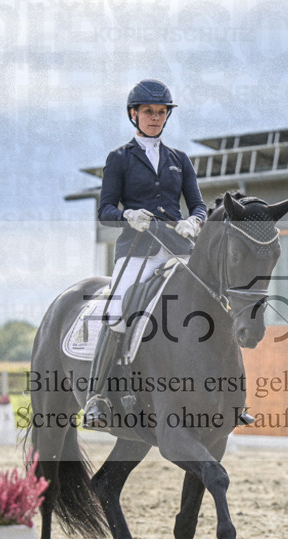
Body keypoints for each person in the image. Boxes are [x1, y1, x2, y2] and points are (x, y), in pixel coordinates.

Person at [82, 78, 207, 430]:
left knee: (213, 301)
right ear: (134, 114)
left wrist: (194, 222)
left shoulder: (179, 160)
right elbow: (104, 210)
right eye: (148, 112)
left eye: (161, 112)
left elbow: (198, 205)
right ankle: (96, 396)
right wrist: (127, 215)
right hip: (137, 249)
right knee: (118, 310)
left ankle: (229, 395)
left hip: (177, 249)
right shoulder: (119, 158)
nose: (155, 117)